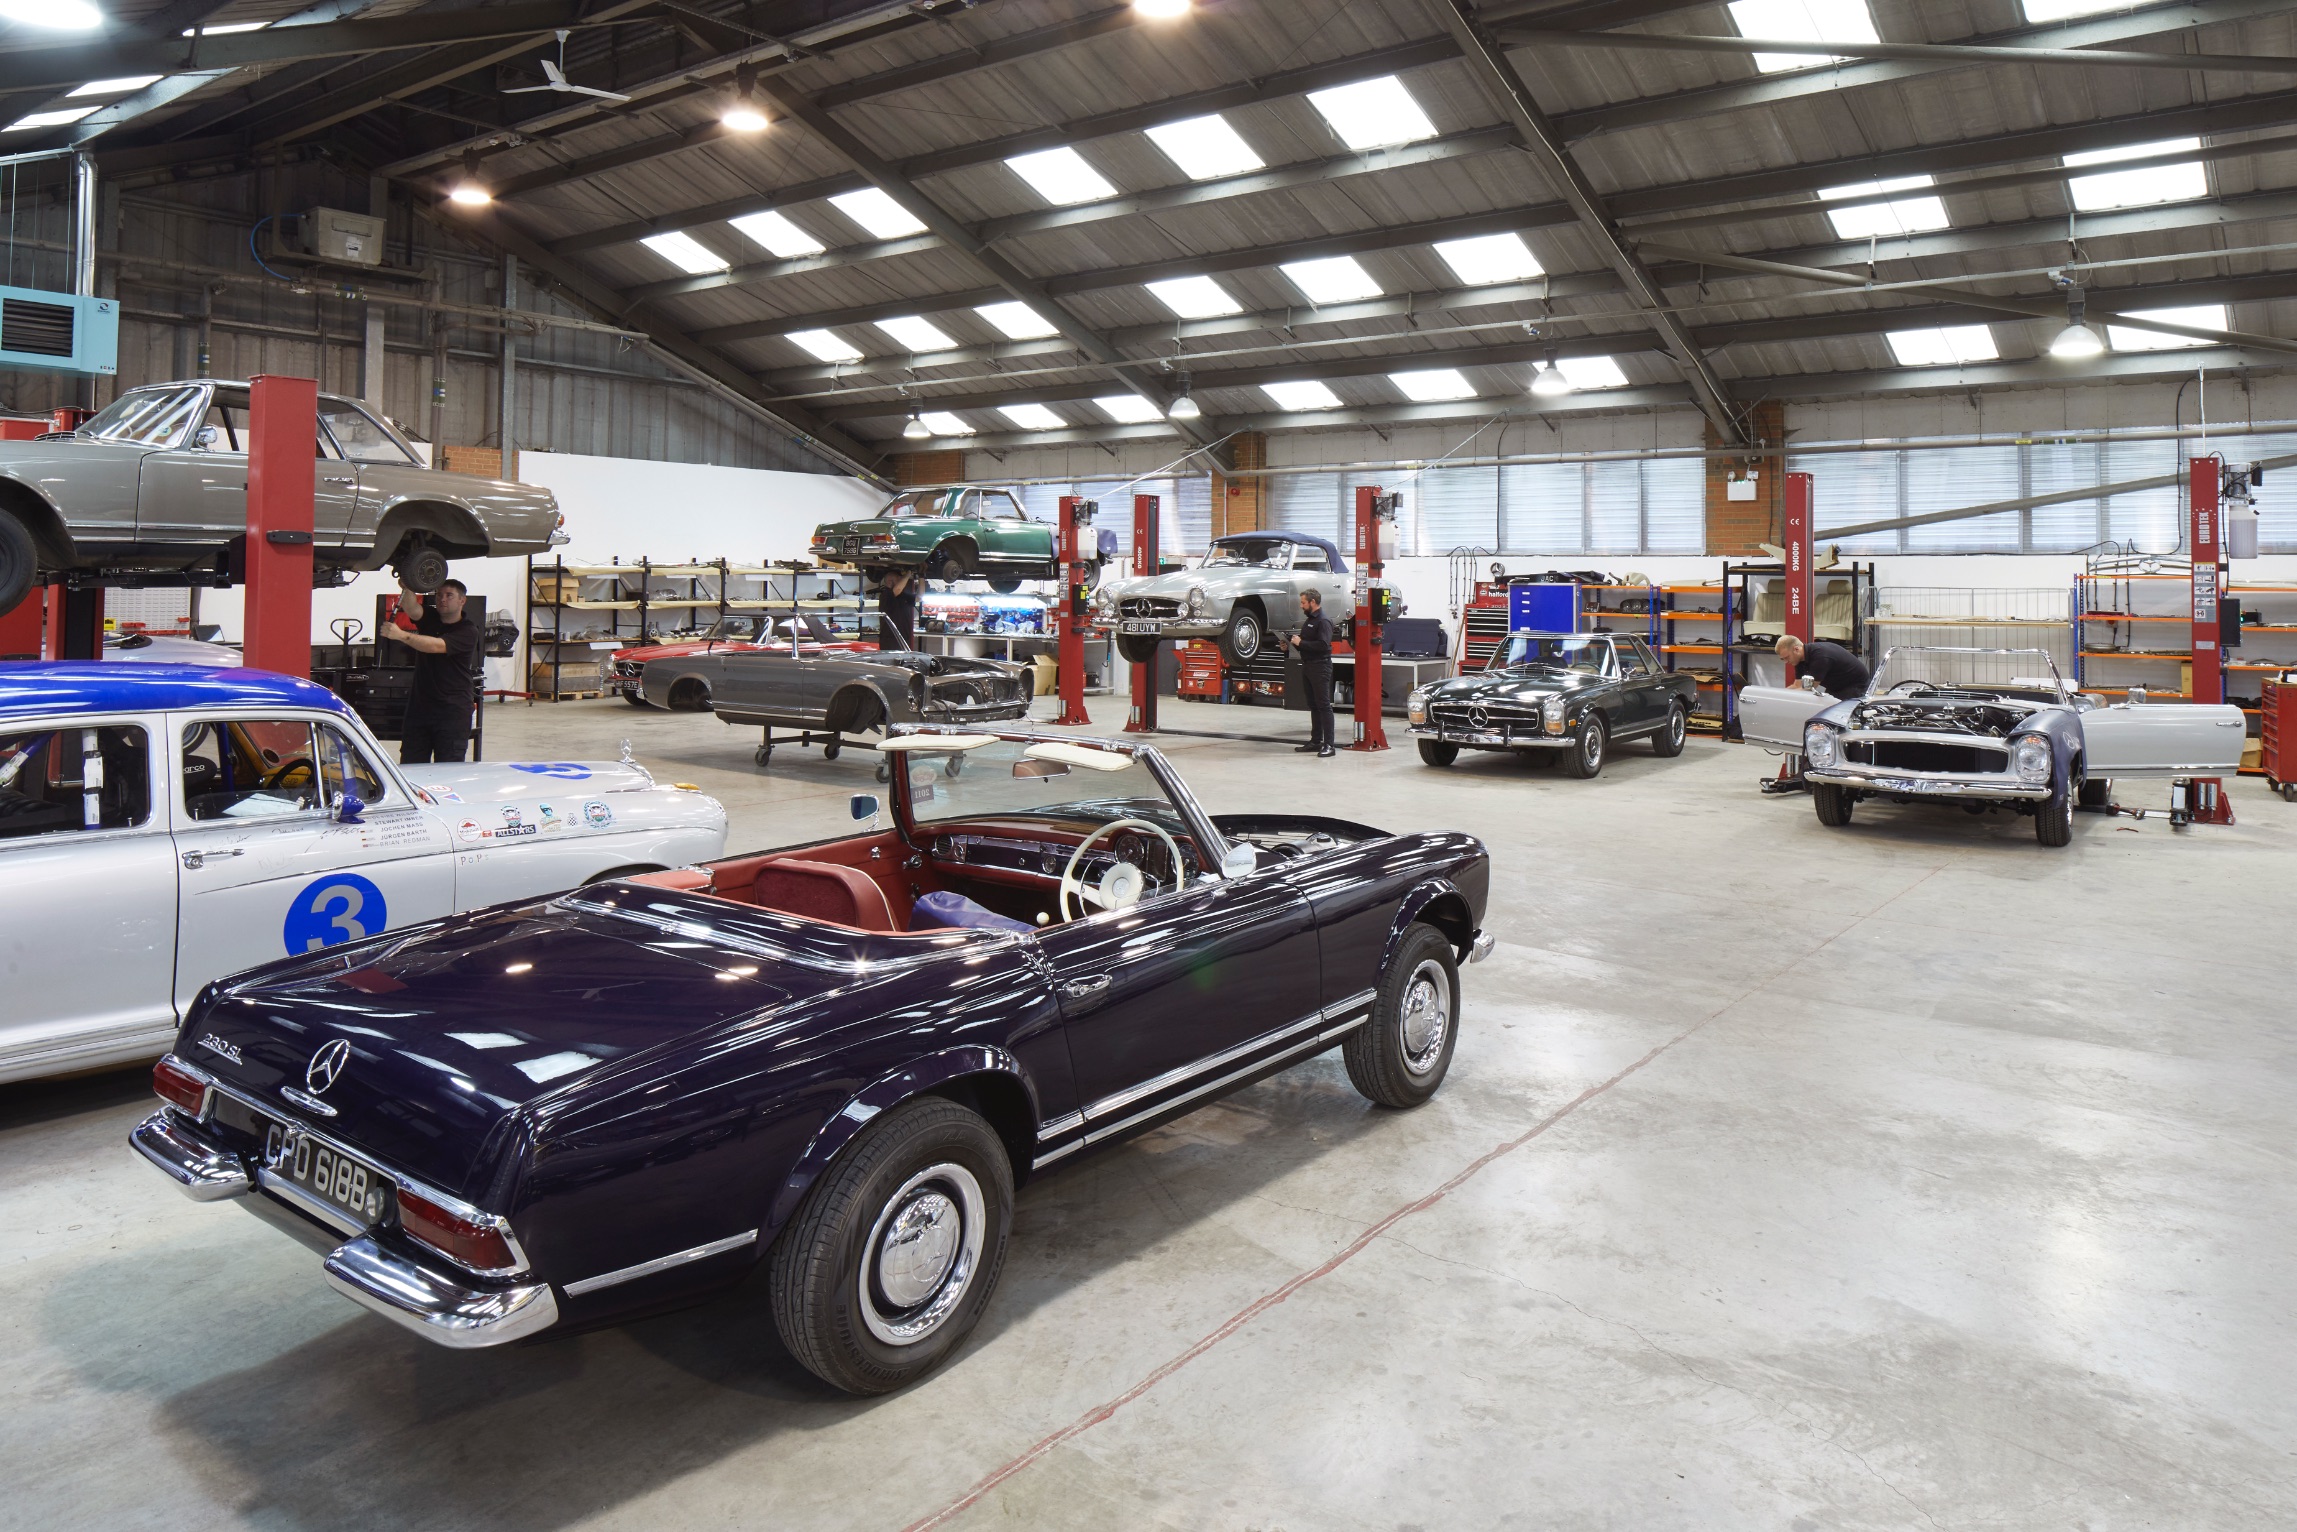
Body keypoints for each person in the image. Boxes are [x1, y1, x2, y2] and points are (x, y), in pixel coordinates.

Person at [379, 577, 481, 764]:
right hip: (420, 709)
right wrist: (408, 584)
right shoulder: (431, 617)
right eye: (439, 595)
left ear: (462, 601)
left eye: (449, 595)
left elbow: (436, 646)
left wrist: (401, 635)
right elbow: (412, 609)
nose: (442, 599)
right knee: (412, 764)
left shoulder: (468, 630)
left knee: (448, 766)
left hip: (452, 711)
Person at [1283, 588, 1336, 758]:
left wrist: (1302, 642)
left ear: (1313, 602)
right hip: (1308, 665)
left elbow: (1323, 645)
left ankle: (1329, 745)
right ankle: (1315, 741)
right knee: (1313, 705)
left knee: (1323, 705)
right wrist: (1290, 645)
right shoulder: (1310, 621)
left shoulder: (1323, 621)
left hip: (1320, 667)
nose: (1301, 606)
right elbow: (1307, 644)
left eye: (1303, 602)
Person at [1775, 634, 1869, 700]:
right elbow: (1797, 686)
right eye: (1783, 659)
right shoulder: (1799, 660)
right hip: (1836, 686)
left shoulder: (1820, 656)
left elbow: (1808, 689)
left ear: (1796, 649)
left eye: (1787, 657)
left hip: (1855, 686)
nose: (1786, 662)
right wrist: (1778, 695)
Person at [876, 568, 918, 651]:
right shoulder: (885, 595)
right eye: (898, 579)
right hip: (890, 641)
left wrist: (922, 576)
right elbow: (897, 589)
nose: (901, 580)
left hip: (904, 639)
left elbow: (920, 597)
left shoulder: (902, 596)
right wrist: (909, 572)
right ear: (889, 581)